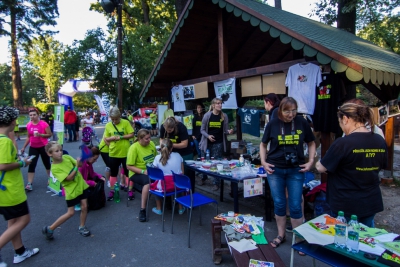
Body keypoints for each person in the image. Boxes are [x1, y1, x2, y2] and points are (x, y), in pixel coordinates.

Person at [316, 102, 387, 227]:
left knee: (344, 242)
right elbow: (381, 165)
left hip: (345, 203)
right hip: (371, 200)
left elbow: (321, 167)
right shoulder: (379, 140)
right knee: (366, 240)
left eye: (340, 122)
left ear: (345, 119)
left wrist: (318, 162)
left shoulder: (343, 143)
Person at [259, 97, 316, 248]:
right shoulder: (272, 123)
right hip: (275, 170)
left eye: (293, 111)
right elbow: (263, 144)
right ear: (280, 110)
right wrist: (263, 162)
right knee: (279, 203)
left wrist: (310, 161)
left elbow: (311, 142)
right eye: (287, 111)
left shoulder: (302, 122)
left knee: (296, 204)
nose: (291, 114)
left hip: (295, 170)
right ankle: (281, 235)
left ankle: (298, 240)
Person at [0, 106, 39, 266]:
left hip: (6, 188)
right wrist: (23, 162)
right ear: (12, 121)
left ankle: (20, 251)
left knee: (13, 220)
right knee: (24, 219)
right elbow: (2, 165)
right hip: (10, 189)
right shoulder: (5, 141)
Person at [42, 141, 91, 239]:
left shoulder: (67, 157)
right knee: (71, 213)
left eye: (60, 150)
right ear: (49, 154)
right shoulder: (55, 168)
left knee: (84, 207)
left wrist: (82, 158)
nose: (60, 152)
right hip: (71, 191)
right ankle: (50, 229)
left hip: (81, 186)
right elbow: (69, 178)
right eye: (56, 151)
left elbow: (80, 165)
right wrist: (76, 166)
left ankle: (82, 226)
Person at [198, 98, 233, 191]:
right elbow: (202, 130)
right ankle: (203, 177)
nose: (220, 105)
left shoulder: (224, 116)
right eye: (218, 103)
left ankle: (216, 183)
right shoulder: (207, 116)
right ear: (213, 105)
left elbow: (225, 130)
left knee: (216, 163)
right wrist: (208, 136)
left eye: (221, 103)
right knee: (204, 161)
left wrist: (228, 131)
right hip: (207, 143)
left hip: (218, 143)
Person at [103, 107, 134, 201]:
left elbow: (131, 134)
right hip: (114, 153)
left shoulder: (125, 122)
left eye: (116, 119)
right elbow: (106, 138)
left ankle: (130, 190)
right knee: (113, 173)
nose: (115, 121)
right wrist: (111, 140)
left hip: (125, 152)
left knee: (128, 173)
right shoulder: (108, 125)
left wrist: (121, 137)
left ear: (119, 116)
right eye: (112, 119)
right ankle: (112, 190)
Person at [126, 129, 157, 222]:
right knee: (147, 182)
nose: (149, 140)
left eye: (149, 137)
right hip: (136, 172)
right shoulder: (134, 148)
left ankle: (165, 202)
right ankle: (142, 210)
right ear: (140, 139)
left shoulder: (151, 144)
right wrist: (143, 171)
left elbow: (155, 158)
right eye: (146, 139)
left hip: (151, 170)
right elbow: (128, 166)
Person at [20, 108, 52, 191]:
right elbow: (28, 137)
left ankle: (50, 179)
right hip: (33, 147)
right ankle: (29, 184)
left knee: (46, 163)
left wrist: (41, 134)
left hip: (43, 146)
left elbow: (49, 134)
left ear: (38, 115)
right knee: (32, 164)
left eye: (34, 115)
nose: (32, 116)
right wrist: (24, 147)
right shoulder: (28, 125)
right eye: (31, 115)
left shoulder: (44, 124)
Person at [159, 117, 194, 191]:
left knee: (186, 174)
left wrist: (169, 145)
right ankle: (176, 191)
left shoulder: (181, 127)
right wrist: (163, 145)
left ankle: (189, 192)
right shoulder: (162, 126)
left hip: (185, 153)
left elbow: (185, 144)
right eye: (167, 130)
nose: (168, 132)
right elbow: (161, 138)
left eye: (170, 130)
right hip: (171, 152)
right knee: (175, 174)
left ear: (174, 127)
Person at [151, 138, 185, 215]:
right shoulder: (178, 155)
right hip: (178, 185)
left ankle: (159, 208)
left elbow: (156, 174)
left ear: (161, 147)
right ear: (172, 147)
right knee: (178, 180)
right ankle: (180, 208)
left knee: (155, 185)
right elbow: (182, 172)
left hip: (165, 186)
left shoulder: (157, 158)